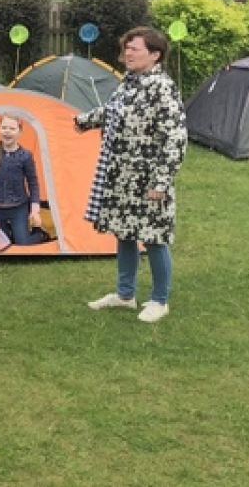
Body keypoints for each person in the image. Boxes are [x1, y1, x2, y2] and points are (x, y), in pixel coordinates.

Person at [75, 26, 189, 324]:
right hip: (121, 175)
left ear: (154, 54)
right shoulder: (129, 83)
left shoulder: (161, 87)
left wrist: (161, 181)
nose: (127, 53)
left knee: (154, 237)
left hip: (148, 178)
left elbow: (175, 137)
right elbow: (112, 111)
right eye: (126, 47)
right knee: (124, 233)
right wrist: (84, 121)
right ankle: (125, 295)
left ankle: (159, 300)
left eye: (134, 48)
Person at [0, 113, 44, 246]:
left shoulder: (25, 156)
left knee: (22, 243)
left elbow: (33, 183)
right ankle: (10, 232)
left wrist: (35, 210)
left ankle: (39, 234)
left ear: (20, 132)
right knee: (2, 243)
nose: (7, 131)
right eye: (4, 127)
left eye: (12, 129)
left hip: (19, 207)